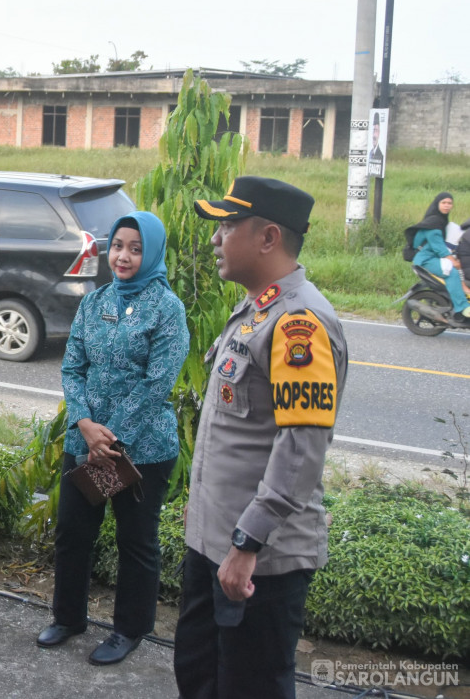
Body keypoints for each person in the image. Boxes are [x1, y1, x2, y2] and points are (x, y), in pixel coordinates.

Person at [174, 176, 348, 699]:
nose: (214, 239)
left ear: (268, 237)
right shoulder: (257, 308)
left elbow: (300, 448)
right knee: (200, 675)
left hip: (257, 562)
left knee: (249, 687)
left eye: (226, 225)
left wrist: (248, 541)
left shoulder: (300, 323)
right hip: (214, 544)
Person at [36, 211, 188, 665]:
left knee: (135, 542)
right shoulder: (94, 300)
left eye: (136, 249)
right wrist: (83, 423)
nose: (123, 256)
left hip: (141, 451)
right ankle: (68, 618)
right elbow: (72, 366)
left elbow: (157, 383)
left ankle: (130, 629)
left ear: (153, 253)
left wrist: (112, 438)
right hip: (85, 444)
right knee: (72, 532)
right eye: (118, 245)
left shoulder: (167, 309)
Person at [406, 192, 470, 322]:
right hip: (426, 260)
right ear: (437, 204)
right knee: (452, 272)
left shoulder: (440, 220)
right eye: (444, 203)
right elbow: (438, 247)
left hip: (432, 257)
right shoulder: (434, 222)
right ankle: (461, 309)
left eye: (449, 203)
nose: (447, 206)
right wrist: (453, 260)